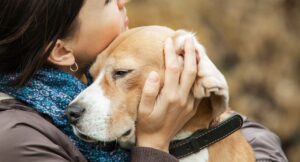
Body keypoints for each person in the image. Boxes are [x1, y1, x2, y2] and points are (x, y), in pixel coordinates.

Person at [0, 0, 288, 162]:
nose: (123, 1)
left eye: (120, 73)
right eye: (107, 1)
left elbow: (255, 137)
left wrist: (197, 109)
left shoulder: (90, 75)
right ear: (62, 50)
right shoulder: (17, 140)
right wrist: (153, 142)